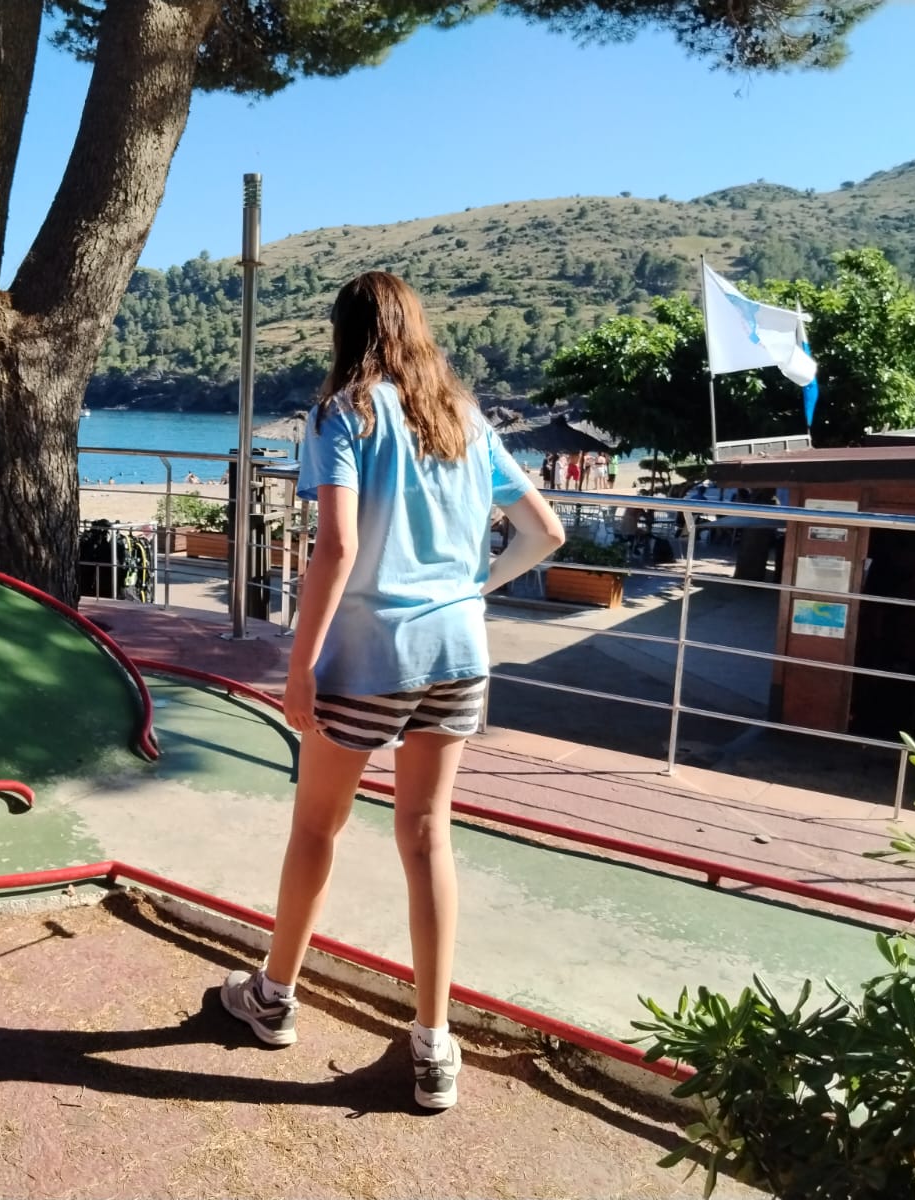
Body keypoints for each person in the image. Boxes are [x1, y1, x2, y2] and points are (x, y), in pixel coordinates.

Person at [216, 272, 564, 1111]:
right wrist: (470, 590)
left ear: (345, 334)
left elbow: (335, 548)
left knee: (316, 827)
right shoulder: (464, 417)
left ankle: (273, 997)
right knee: (427, 835)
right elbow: (544, 531)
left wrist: (300, 665)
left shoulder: (343, 414)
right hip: (458, 652)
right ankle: (435, 1044)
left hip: (370, 654)